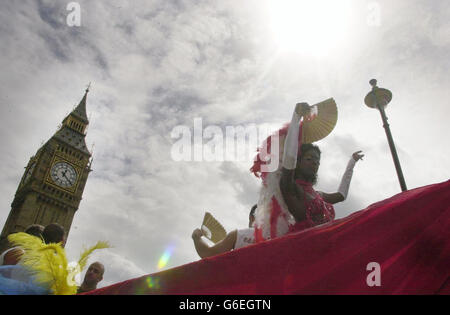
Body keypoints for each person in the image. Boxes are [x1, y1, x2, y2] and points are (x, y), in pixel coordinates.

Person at [252, 102, 363, 241]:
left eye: (317, 161)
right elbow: (289, 159)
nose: (315, 163)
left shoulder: (318, 195)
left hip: (329, 245)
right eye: (309, 159)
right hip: (306, 247)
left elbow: (341, 195)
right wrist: (296, 117)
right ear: (298, 162)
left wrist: (351, 163)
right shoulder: (290, 186)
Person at [192, 205, 257, 259]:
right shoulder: (267, 238)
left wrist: (196, 237)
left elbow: (207, 254)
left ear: (251, 217)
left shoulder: (238, 235)